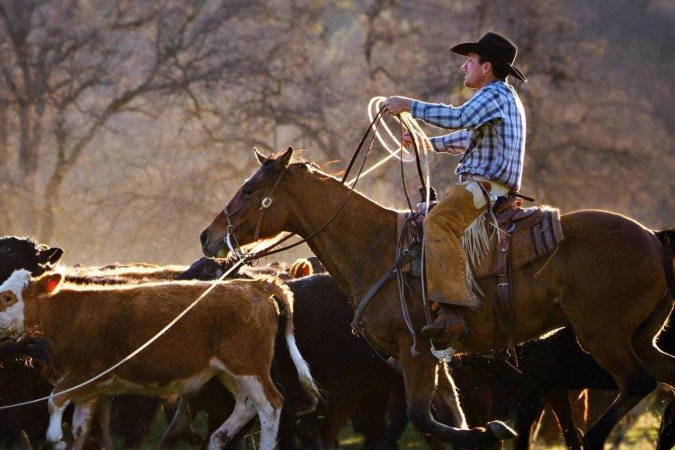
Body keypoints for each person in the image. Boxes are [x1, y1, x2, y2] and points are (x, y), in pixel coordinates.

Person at [383, 32, 527, 343]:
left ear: (487, 67)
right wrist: (427, 143)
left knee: (438, 221)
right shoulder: (502, 98)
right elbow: (469, 137)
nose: (464, 67)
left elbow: (458, 117)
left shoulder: (493, 94)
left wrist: (409, 106)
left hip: (484, 187)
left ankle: (452, 311)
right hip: (490, 187)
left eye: (470, 62)